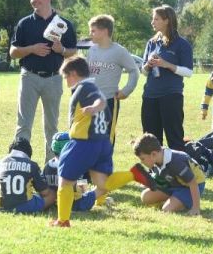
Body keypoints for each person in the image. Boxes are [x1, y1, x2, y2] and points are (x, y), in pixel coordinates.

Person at [50, 56, 159, 227]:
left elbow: (99, 103)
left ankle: (63, 221)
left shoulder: (85, 88)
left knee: (65, 181)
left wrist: (94, 107)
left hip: (84, 143)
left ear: (73, 74)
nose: (65, 81)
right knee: (103, 183)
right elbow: (107, 116)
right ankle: (134, 174)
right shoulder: (95, 88)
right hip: (102, 142)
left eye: (65, 77)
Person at [10, 0, 77, 163]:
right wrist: (31, 49)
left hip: (54, 78)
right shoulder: (25, 23)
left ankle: (51, 166)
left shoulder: (63, 24)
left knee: (51, 126)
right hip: (29, 77)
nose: (34, 0)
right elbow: (13, 52)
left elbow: (73, 51)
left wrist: (61, 49)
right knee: (23, 124)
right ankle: (20, 163)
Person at [141, 5, 193, 151]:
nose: (152, 22)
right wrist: (148, 65)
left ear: (167, 21)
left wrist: (166, 64)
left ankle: (177, 171)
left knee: (174, 137)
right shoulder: (151, 43)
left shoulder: (182, 44)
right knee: (150, 139)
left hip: (171, 96)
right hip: (150, 96)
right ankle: (155, 172)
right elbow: (144, 73)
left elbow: (188, 72)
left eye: (156, 19)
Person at [87, 14, 139, 145]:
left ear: (104, 31)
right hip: (90, 101)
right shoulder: (92, 50)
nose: (90, 33)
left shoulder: (119, 51)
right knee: (90, 135)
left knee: (106, 136)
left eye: (93, 30)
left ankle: (105, 164)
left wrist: (126, 91)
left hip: (109, 100)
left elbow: (134, 71)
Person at [133, 133, 205, 215]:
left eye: (142, 159)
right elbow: (157, 176)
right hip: (174, 184)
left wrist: (196, 208)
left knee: (166, 209)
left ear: (153, 154)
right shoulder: (156, 158)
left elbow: (193, 182)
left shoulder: (176, 161)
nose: (142, 162)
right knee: (145, 197)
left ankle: (185, 203)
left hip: (190, 186)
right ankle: (175, 199)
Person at [0, 137, 55, 213]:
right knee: (51, 195)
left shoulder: (1, 162)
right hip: (23, 206)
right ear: (28, 152)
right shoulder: (32, 165)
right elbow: (45, 192)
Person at [43, 132, 103, 211]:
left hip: (52, 204)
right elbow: (82, 187)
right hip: (75, 204)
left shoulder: (47, 166)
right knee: (102, 187)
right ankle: (102, 201)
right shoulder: (75, 165)